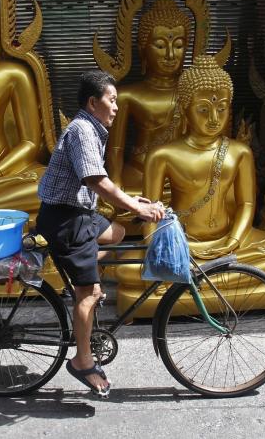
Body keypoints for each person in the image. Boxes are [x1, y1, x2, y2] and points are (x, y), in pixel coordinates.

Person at [36, 70, 165, 397]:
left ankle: (84, 275)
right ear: (93, 103)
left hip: (78, 215)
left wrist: (130, 202)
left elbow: (100, 183)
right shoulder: (82, 130)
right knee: (90, 294)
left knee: (117, 231)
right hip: (66, 222)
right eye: (112, 100)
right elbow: (96, 180)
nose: (116, 107)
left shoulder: (91, 129)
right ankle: (82, 360)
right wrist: (138, 209)